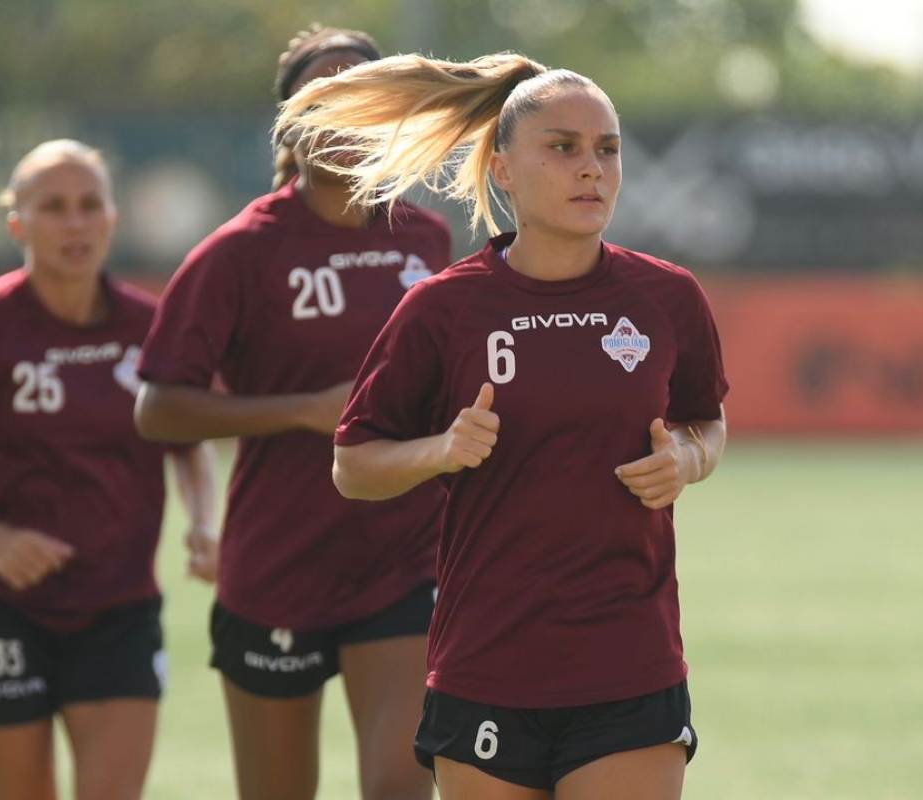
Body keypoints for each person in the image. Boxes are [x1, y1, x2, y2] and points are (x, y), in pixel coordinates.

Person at [277, 53, 729, 799]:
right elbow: (352, 465)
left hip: (629, 662)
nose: (592, 168)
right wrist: (440, 450)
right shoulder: (442, 310)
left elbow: (705, 420)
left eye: (607, 149)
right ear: (503, 168)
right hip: (486, 665)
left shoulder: (666, 297)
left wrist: (686, 455)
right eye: (563, 147)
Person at [133, 25, 451, 800]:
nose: (345, 116)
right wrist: (304, 411)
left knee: (399, 788)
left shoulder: (431, 239)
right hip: (277, 566)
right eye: (323, 97)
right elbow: (159, 409)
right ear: (290, 125)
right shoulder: (238, 253)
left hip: (405, 561)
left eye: (364, 97)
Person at [0, 139, 217, 800]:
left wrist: (204, 522)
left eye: (90, 205)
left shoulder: (151, 326)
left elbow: (190, 439)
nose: (75, 223)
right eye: (53, 207)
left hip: (118, 608)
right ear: (17, 223)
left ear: (113, 218)